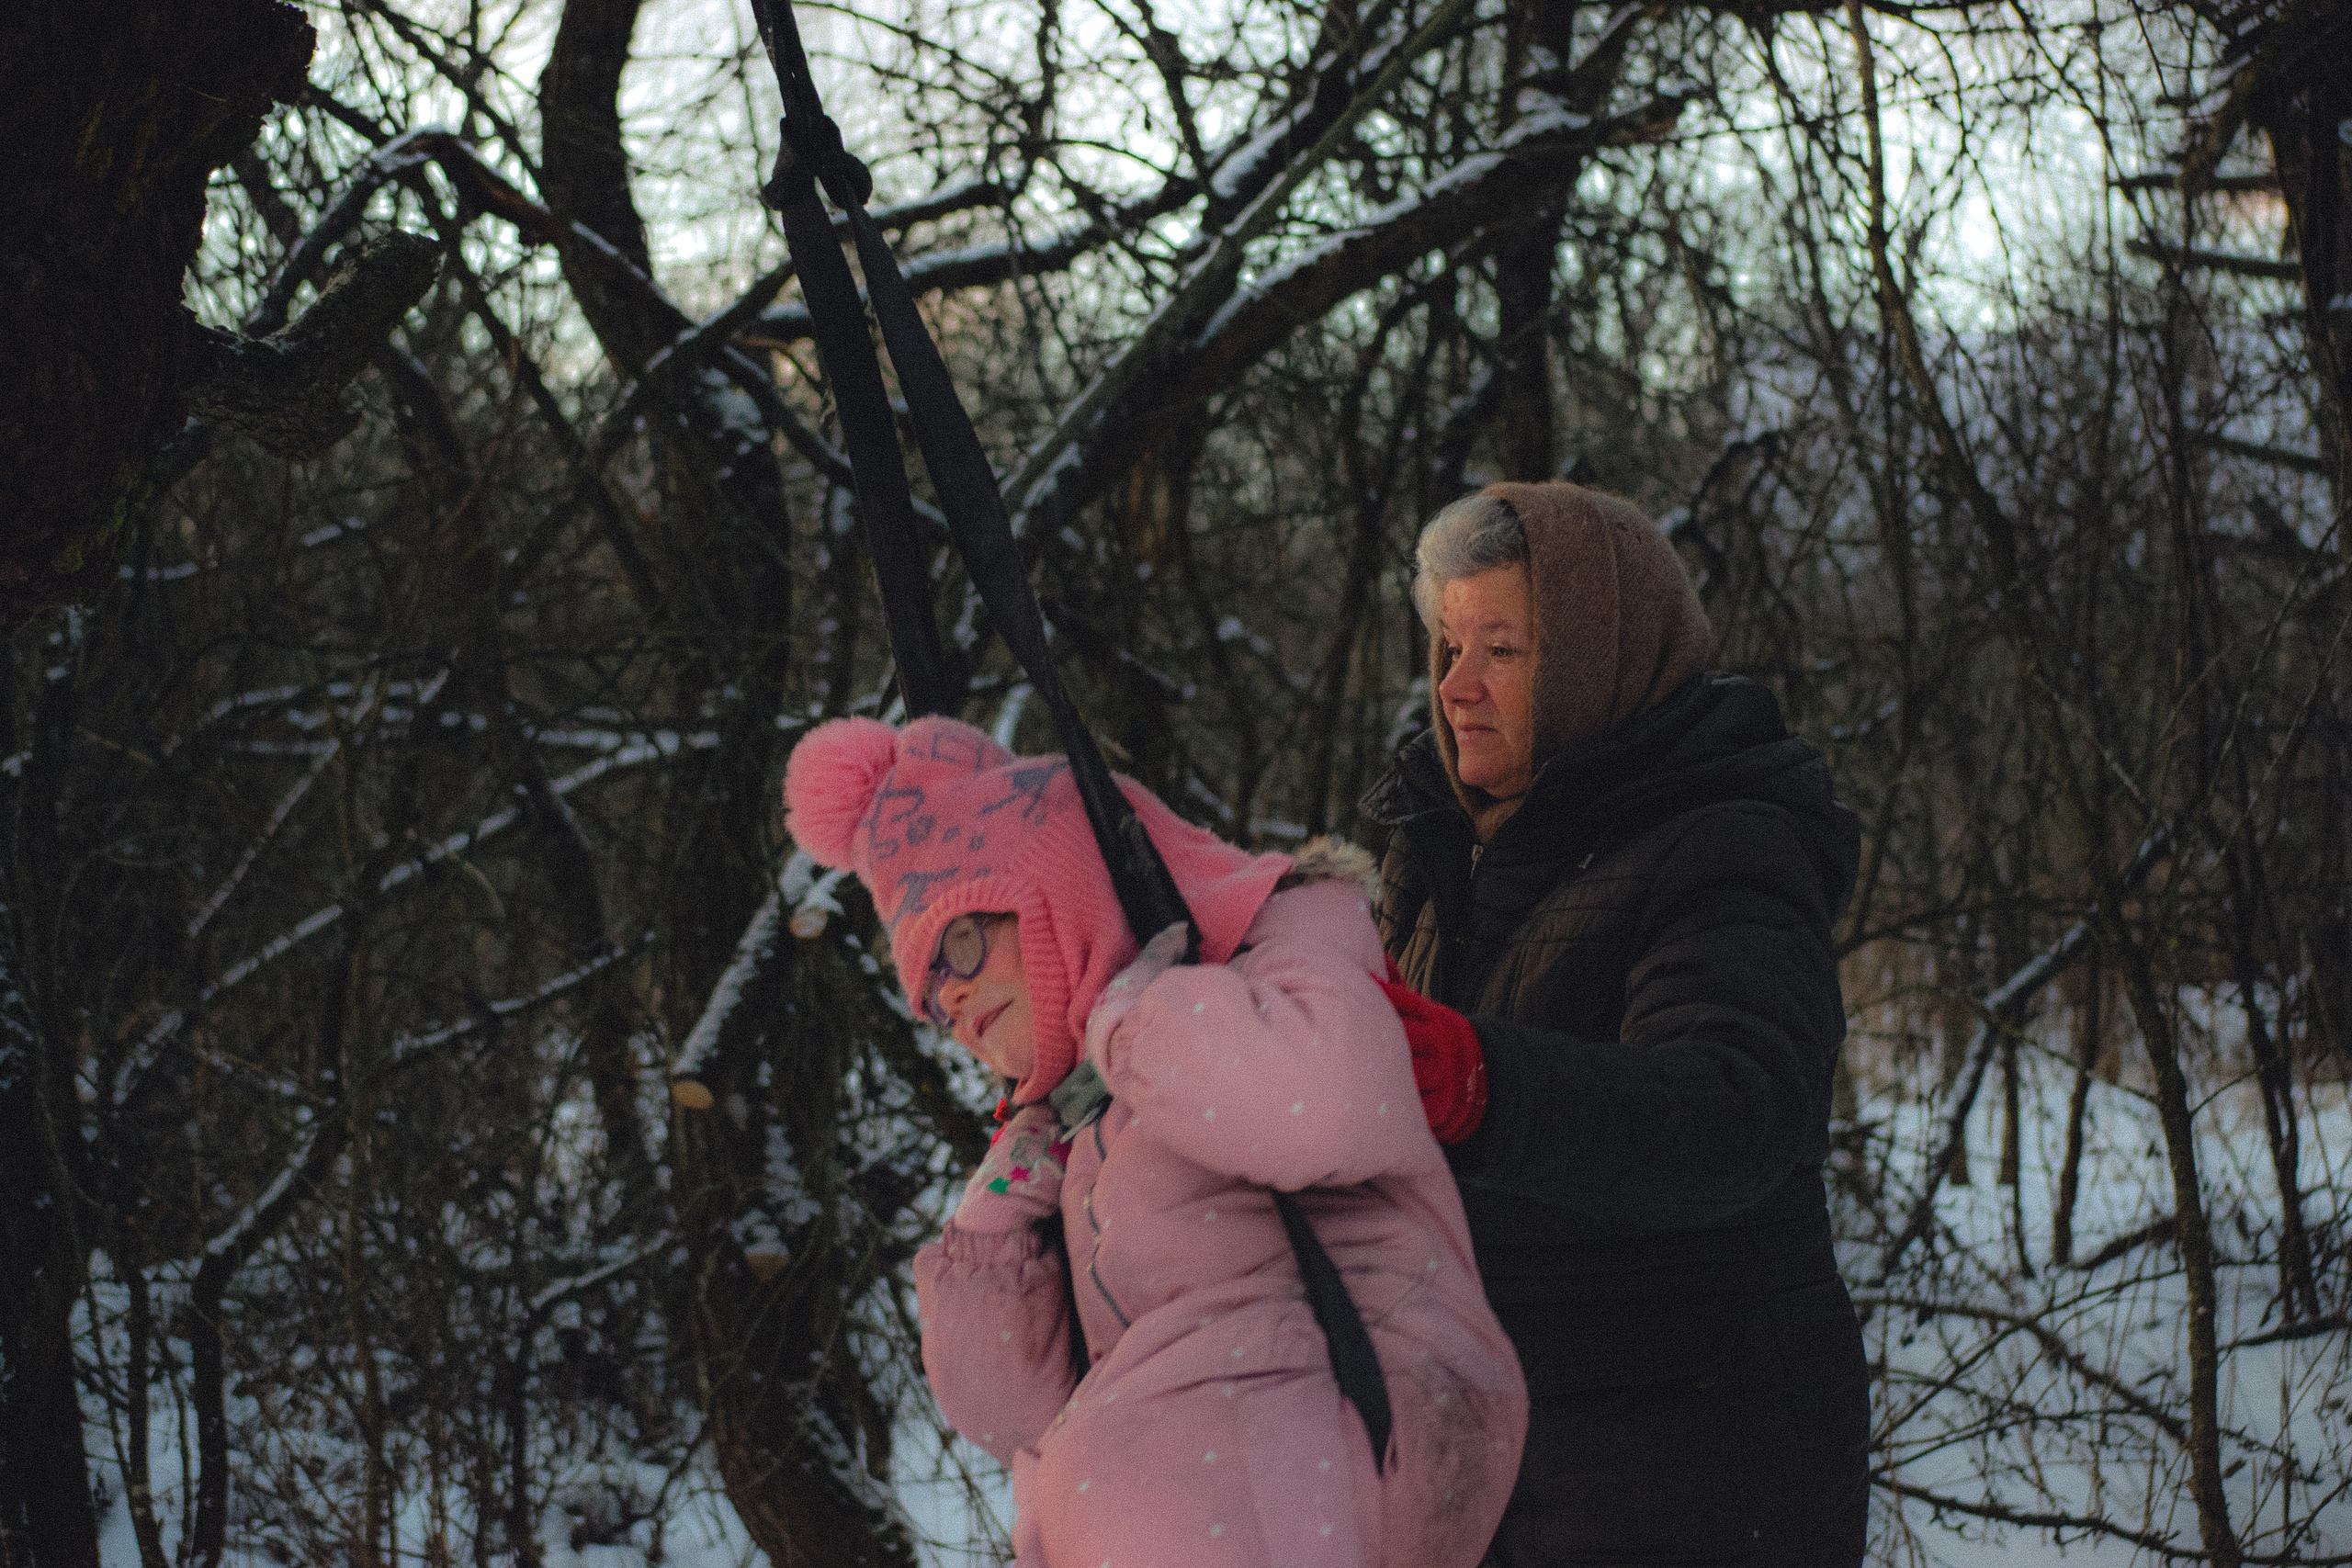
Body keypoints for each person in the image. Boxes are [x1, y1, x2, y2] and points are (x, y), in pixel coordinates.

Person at [783, 714, 1528, 1568]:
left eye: (958, 941)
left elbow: (1312, 1107)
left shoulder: (1281, 947)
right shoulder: (1082, 1120)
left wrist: (1132, 1019)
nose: (948, 998)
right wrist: (994, 1224)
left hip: (1357, 1411)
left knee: (1131, 1472)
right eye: (926, 989)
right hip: (1205, 1474)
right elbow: (1015, 1416)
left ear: (1056, 881)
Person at [1360, 480, 1871, 1567]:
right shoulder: (1432, 848)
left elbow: (1734, 1114)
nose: (1454, 687)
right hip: (1486, 1445)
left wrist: (1482, 1085)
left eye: (1501, 648)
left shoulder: (1725, 842)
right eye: (1449, 645)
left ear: (1598, 658)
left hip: (1686, 1458)